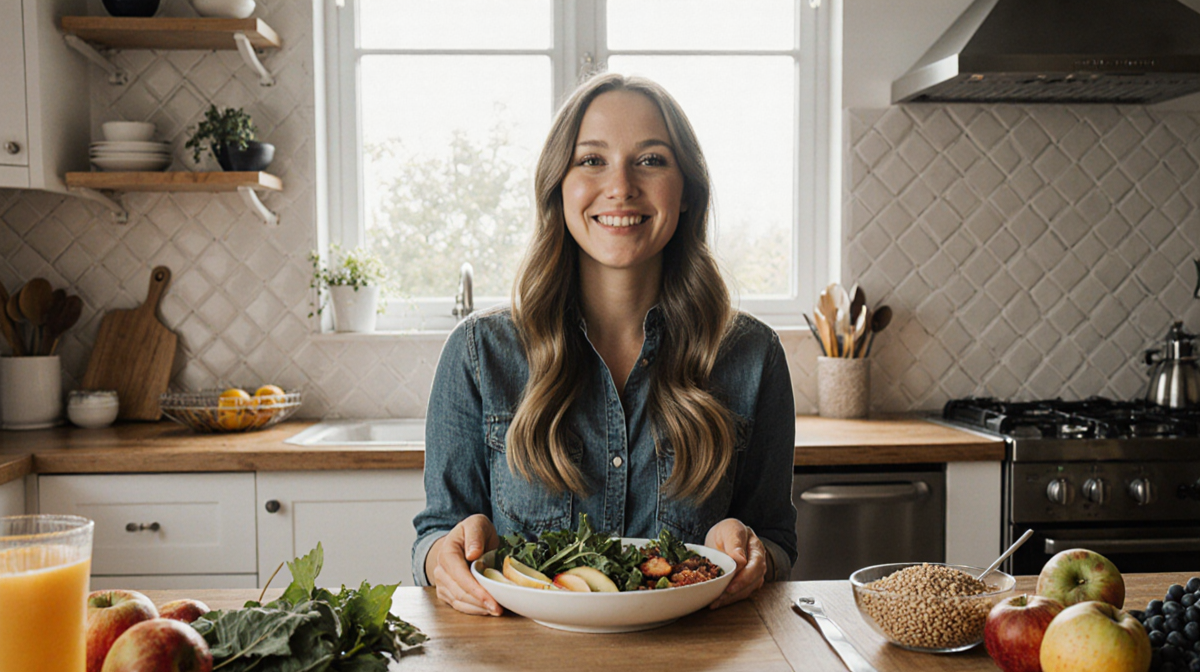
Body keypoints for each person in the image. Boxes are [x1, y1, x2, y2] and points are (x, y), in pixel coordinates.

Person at [413, 72, 797, 616]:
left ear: (686, 190)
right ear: (558, 187)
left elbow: (777, 537)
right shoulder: (479, 353)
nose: (620, 186)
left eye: (652, 160)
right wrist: (444, 556)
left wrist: (752, 550)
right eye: (592, 160)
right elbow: (436, 534)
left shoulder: (752, 356)